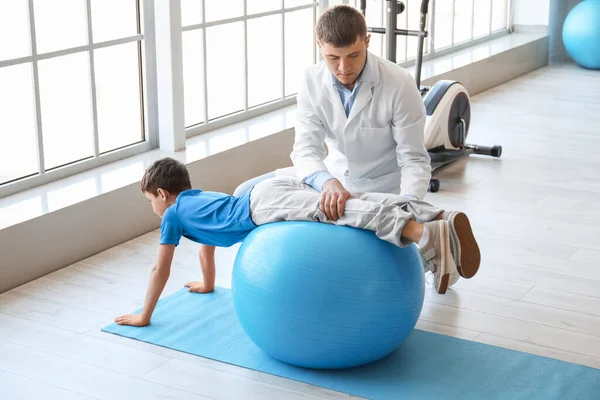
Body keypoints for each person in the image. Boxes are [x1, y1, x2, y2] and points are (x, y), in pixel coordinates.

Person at [233, 5, 462, 290]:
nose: (344, 68)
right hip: (331, 179)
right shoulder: (310, 80)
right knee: (244, 194)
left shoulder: (399, 84)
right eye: (333, 58)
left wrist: (408, 206)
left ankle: (431, 237)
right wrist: (326, 181)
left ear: (367, 41)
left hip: (383, 189)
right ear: (319, 47)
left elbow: (414, 160)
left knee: (386, 234)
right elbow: (305, 149)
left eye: (353, 55)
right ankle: (261, 280)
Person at [114, 157, 480, 327]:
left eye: (151, 201)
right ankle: (434, 216)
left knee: (340, 211)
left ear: (162, 193)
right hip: (266, 191)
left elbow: (159, 267)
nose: (154, 208)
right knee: (355, 199)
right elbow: (207, 246)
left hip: (262, 204)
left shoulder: (174, 215)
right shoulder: (197, 199)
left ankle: (423, 235)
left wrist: (144, 315)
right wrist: (208, 285)